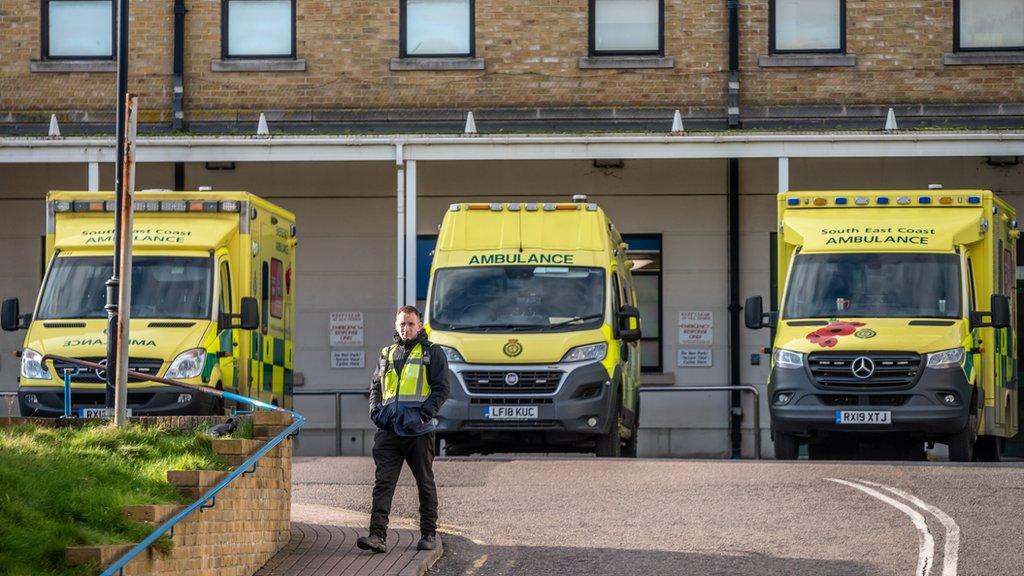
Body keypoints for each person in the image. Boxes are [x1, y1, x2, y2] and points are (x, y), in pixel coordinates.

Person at [357, 305, 450, 554]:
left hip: (418, 432)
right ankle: (377, 536)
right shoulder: (387, 353)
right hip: (389, 431)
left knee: (424, 483)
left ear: (419, 326)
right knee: (383, 484)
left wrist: (422, 415)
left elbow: (442, 390)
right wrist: (376, 413)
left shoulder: (432, 352)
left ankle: (429, 534)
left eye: (410, 324)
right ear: (395, 326)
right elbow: (376, 387)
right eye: (402, 324)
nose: (406, 329)